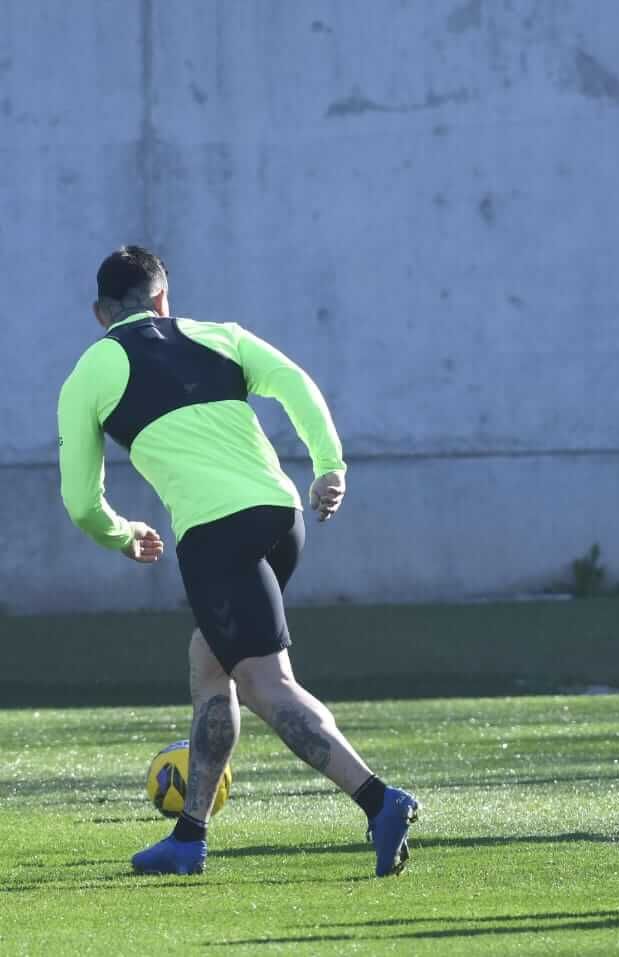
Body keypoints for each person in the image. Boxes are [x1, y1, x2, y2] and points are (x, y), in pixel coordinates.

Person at [57, 246, 419, 877]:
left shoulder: (91, 371)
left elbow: (81, 501)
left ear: (100, 312)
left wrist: (122, 535)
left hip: (215, 533)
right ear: (164, 298)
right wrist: (329, 467)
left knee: (264, 683)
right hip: (281, 517)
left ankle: (379, 799)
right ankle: (189, 835)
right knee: (210, 664)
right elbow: (297, 385)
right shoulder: (219, 335)